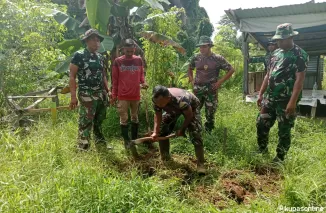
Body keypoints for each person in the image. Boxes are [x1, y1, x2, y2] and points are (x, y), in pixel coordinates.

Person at [256, 23, 309, 162]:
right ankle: (262, 149)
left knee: (284, 129)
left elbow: (299, 80)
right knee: (261, 123)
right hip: (270, 98)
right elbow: (268, 74)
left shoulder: (300, 55)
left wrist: (292, 102)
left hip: (286, 100)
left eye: (281, 39)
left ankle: (279, 158)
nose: (278, 42)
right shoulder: (275, 53)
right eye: (277, 39)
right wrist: (261, 93)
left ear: (290, 37)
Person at [69, 29, 110, 151]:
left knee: (99, 119)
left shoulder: (100, 57)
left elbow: (103, 76)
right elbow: (72, 76)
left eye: (98, 40)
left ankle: (100, 141)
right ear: (86, 41)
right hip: (87, 94)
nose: (96, 43)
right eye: (93, 40)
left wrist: (108, 91)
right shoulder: (79, 55)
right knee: (86, 120)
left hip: (100, 94)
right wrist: (73, 97)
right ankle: (83, 145)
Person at [151, 86, 206, 174]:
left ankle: (201, 164)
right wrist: (155, 132)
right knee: (162, 129)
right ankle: (165, 158)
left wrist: (182, 130)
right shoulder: (157, 100)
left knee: (196, 133)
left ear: (168, 98)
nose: (158, 105)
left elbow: (189, 116)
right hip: (172, 109)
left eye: (160, 104)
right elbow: (158, 116)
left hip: (191, 107)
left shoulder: (181, 100)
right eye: (156, 103)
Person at [188, 36, 235, 133]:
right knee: (194, 110)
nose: (201, 49)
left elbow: (231, 70)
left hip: (211, 89)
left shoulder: (217, 58)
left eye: (204, 46)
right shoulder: (196, 57)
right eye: (200, 47)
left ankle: (209, 131)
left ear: (209, 46)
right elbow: (189, 68)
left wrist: (219, 82)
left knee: (210, 113)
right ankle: (195, 130)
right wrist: (192, 81)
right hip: (198, 89)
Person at [111, 38, 148, 158]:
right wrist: (114, 95)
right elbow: (115, 80)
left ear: (134, 49)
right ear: (123, 50)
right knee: (124, 118)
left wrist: (143, 82)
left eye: (131, 51)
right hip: (123, 96)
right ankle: (126, 141)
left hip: (135, 95)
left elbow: (141, 74)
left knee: (135, 117)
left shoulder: (138, 60)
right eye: (127, 51)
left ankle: (134, 139)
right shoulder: (118, 62)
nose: (129, 53)